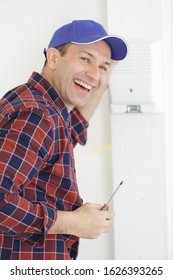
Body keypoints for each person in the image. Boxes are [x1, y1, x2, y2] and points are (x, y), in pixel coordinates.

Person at [0, 19, 127, 260]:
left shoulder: (41, 104)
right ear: (54, 58)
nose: (93, 73)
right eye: (85, 59)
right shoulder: (37, 116)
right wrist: (73, 222)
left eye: (103, 66)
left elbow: (66, 137)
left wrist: (98, 82)